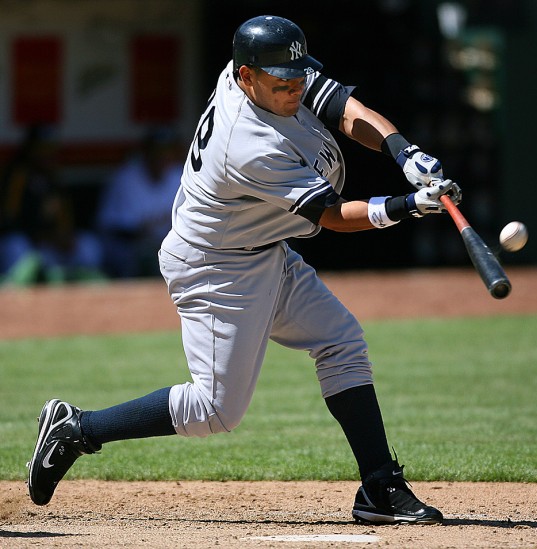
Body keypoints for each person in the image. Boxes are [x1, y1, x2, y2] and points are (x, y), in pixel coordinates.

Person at [27, 15, 461, 524]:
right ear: (245, 77)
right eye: (282, 84)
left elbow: (343, 108)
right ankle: (77, 429)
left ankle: (379, 488)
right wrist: (407, 204)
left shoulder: (267, 75)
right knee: (214, 411)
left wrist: (403, 151)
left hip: (263, 249)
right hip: (217, 268)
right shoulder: (247, 143)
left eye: (300, 78)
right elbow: (331, 215)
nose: (296, 90)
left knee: (341, 340)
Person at [0, 124, 103, 284]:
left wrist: (64, 237)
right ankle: (15, 288)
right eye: (41, 149)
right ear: (30, 149)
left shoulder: (54, 179)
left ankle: (84, 288)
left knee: (89, 245)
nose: (47, 155)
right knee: (16, 245)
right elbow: (8, 222)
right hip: (26, 242)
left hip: (49, 246)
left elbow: (65, 221)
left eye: (50, 149)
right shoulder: (17, 176)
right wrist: (40, 236)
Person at [97, 127, 182, 278]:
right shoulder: (126, 178)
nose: (162, 156)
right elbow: (121, 231)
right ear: (146, 152)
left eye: (167, 150)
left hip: (165, 247)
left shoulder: (179, 176)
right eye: (158, 150)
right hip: (126, 247)